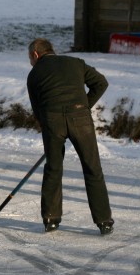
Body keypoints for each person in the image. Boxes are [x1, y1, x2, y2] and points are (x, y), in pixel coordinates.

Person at [27, 38, 114, 235]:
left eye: (29, 58)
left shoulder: (34, 74)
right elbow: (101, 83)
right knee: (92, 168)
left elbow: (37, 109)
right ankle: (104, 221)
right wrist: (84, 106)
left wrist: (50, 126)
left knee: (53, 168)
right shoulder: (75, 63)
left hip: (53, 121)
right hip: (80, 118)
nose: (30, 62)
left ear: (35, 54)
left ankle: (51, 218)